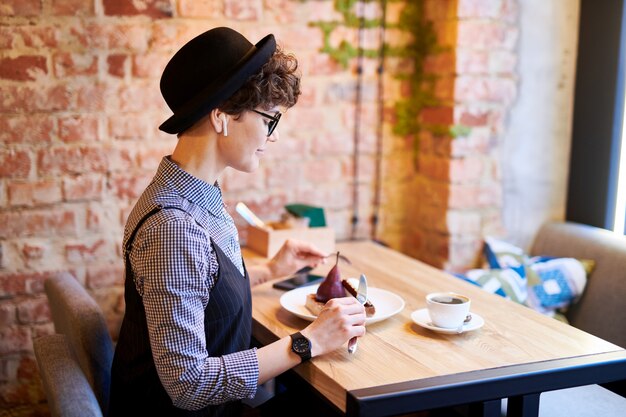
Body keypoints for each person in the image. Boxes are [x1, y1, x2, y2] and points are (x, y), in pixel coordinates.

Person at [109, 27, 366, 416]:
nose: (271, 136)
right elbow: (188, 384)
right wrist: (308, 341)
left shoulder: (193, 191)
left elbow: (201, 287)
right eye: (270, 120)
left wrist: (270, 270)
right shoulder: (172, 229)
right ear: (222, 117)